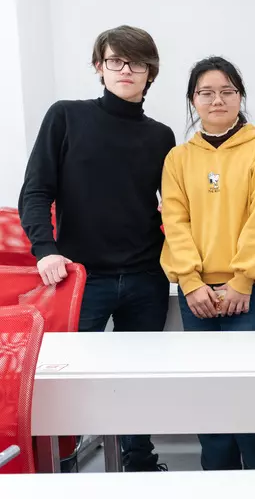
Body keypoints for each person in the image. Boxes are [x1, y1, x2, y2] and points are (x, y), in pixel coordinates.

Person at [18, 25, 175, 472]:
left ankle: (138, 460)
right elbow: (35, 192)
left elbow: (175, 207)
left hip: (145, 277)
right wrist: (45, 249)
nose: (126, 70)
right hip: (80, 278)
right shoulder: (66, 116)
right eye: (115, 61)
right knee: (67, 380)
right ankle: (63, 462)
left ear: (150, 72)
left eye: (137, 63)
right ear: (98, 67)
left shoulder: (161, 136)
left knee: (138, 377)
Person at [160, 56, 255, 470]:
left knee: (250, 393)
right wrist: (190, 283)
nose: (217, 100)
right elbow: (174, 221)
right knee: (209, 393)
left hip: (250, 290)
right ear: (192, 100)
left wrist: (243, 281)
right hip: (196, 292)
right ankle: (217, 483)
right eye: (207, 93)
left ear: (240, 97)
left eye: (227, 91)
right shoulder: (179, 158)